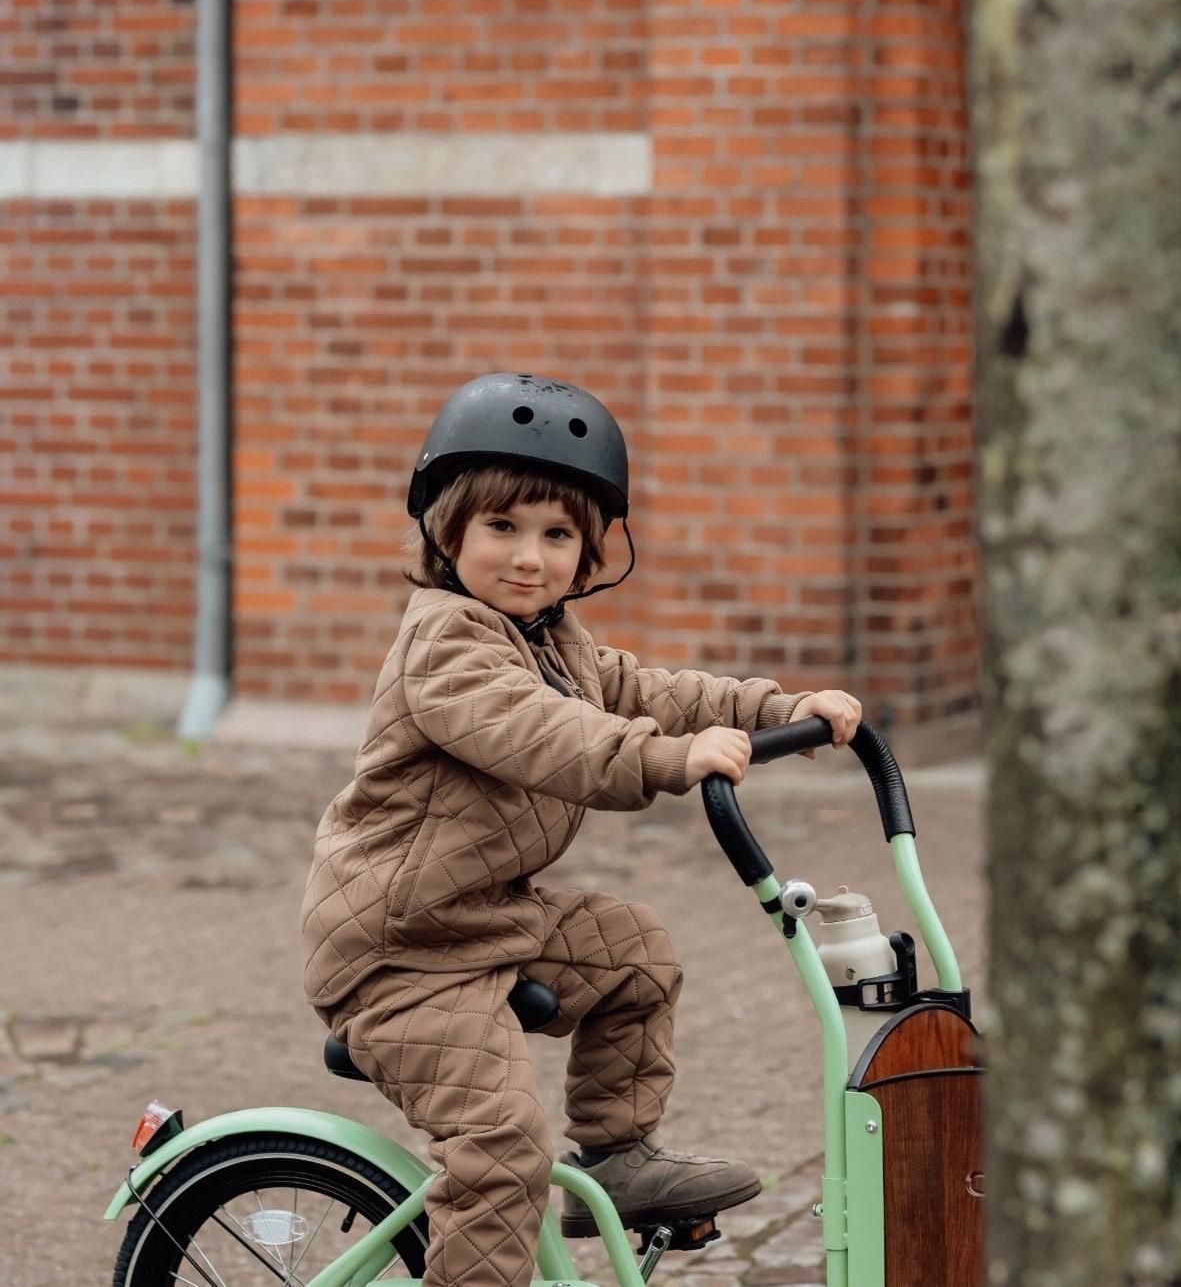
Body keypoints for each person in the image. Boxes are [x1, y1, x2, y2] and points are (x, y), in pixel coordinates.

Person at [300, 372, 861, 1287]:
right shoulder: (445, 642)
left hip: (486, 917)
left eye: (557, 534)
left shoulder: (552, 636)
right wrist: (666, 758)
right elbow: (545, 733)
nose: (529, 557)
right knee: (500, 1149)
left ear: (592, 549)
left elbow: (649, 690)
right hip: (400, 952)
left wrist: (777, 708)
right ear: (446, 531)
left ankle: (617, 1155)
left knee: (633, 951)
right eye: (502, 527)